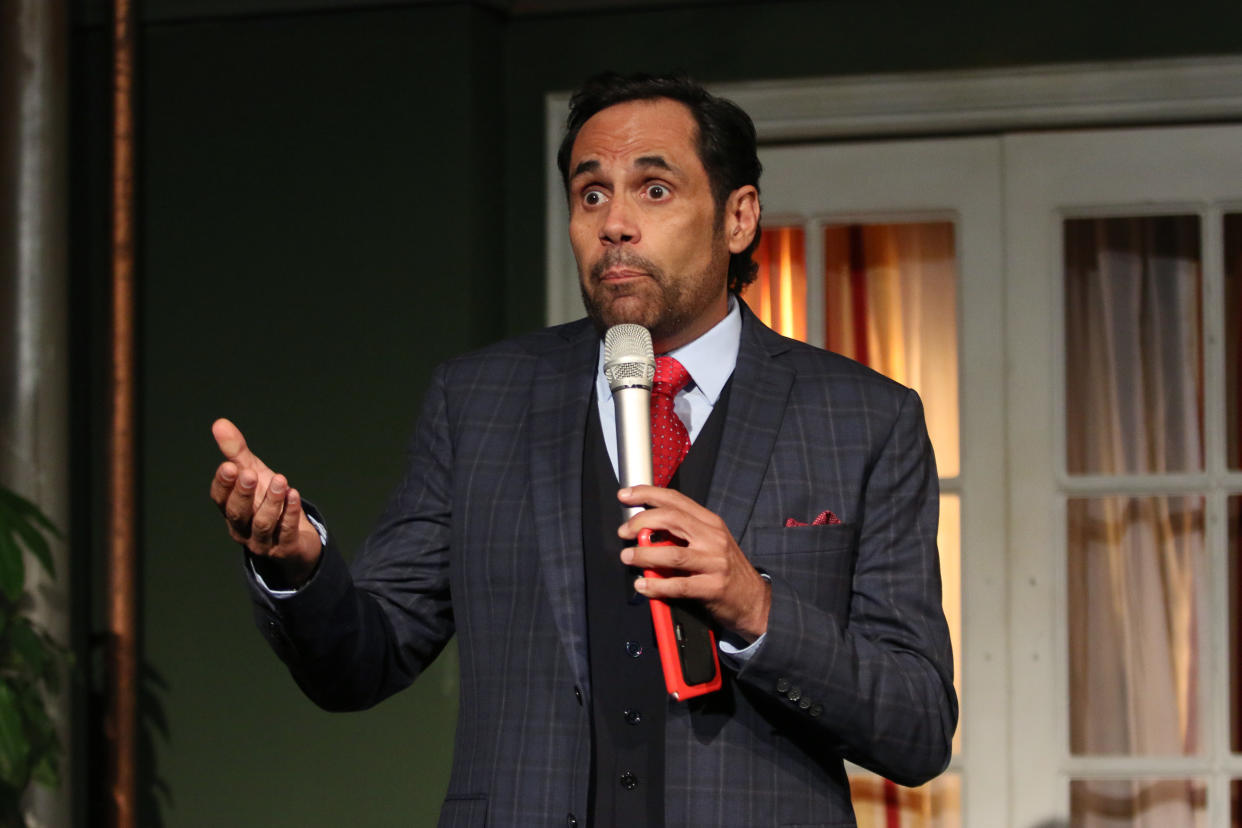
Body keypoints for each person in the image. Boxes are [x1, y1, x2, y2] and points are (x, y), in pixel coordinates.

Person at [209, 72, 956, 827]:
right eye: (591, 194)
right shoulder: (480, 401)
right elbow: (361, 661)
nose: (616, 224)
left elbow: (918, 726)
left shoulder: (863, 418)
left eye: (655, 189)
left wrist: (757, 609)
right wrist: (294, 566)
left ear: (738, 218)